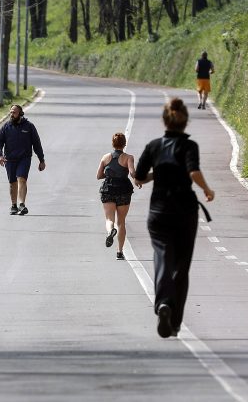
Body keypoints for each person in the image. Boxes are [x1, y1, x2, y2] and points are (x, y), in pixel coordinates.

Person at [135, 98, 214, 338]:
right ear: (185, 121)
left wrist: (155, 174)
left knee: (162, 259)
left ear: (165, 120)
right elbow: (193, 171)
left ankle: (163, 304)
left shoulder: (153, 146)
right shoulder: (189, 147)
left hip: (159, 211)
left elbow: (139, 176)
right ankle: (176, 322)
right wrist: (207, 190)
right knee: (181, 266)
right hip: (184, 211)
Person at [0, 104, 46, 215]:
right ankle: (14, 205)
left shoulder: (29, 127)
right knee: (12, 182)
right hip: (9, 159)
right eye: (11, 112)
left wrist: (41, 160)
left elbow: (36, 144)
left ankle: (22, 204)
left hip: (24, 158)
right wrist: (0, 155)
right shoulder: (6, 127)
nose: (12, 114)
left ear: (20, 113)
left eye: (14, 112)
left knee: (21, 179)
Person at [96, 132, 139, 260]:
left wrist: (109, 175)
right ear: (124, 144)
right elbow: (132, 172)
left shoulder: (105, 157)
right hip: (123, 190)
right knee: (121, 222)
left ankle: (110, 231)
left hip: (108, 189)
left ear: (113, 143)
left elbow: (98, 175)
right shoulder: (128, 158)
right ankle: (119, 252)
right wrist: (137, 180)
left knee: (109, 219)